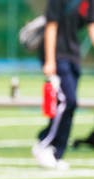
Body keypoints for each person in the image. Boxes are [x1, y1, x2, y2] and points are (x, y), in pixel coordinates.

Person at [33, 0, 94, 169]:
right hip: (57, 56)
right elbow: (51, 27)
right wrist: (50, 61)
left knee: (69, 105)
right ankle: (45, 144)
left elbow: (91, 26)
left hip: (73, 56)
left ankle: (56, 152)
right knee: (68, 101)